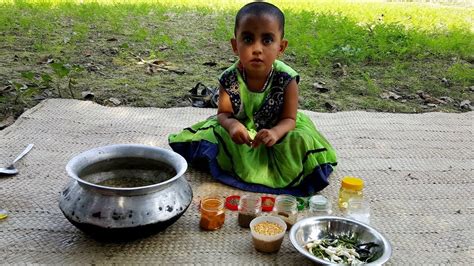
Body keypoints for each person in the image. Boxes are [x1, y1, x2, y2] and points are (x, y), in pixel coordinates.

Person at [168, 1, 337, 196]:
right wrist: (232, 126)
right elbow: (223, 114)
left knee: (300, 140)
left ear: (281, 47)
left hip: (280, 130)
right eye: (248, 39)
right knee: (216, 133)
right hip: (243, 134)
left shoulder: (287, 79)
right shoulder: (229, 79)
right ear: (235, 45)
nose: (257, 49)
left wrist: (275, 133)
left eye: (267, 40)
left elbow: (290, 119)